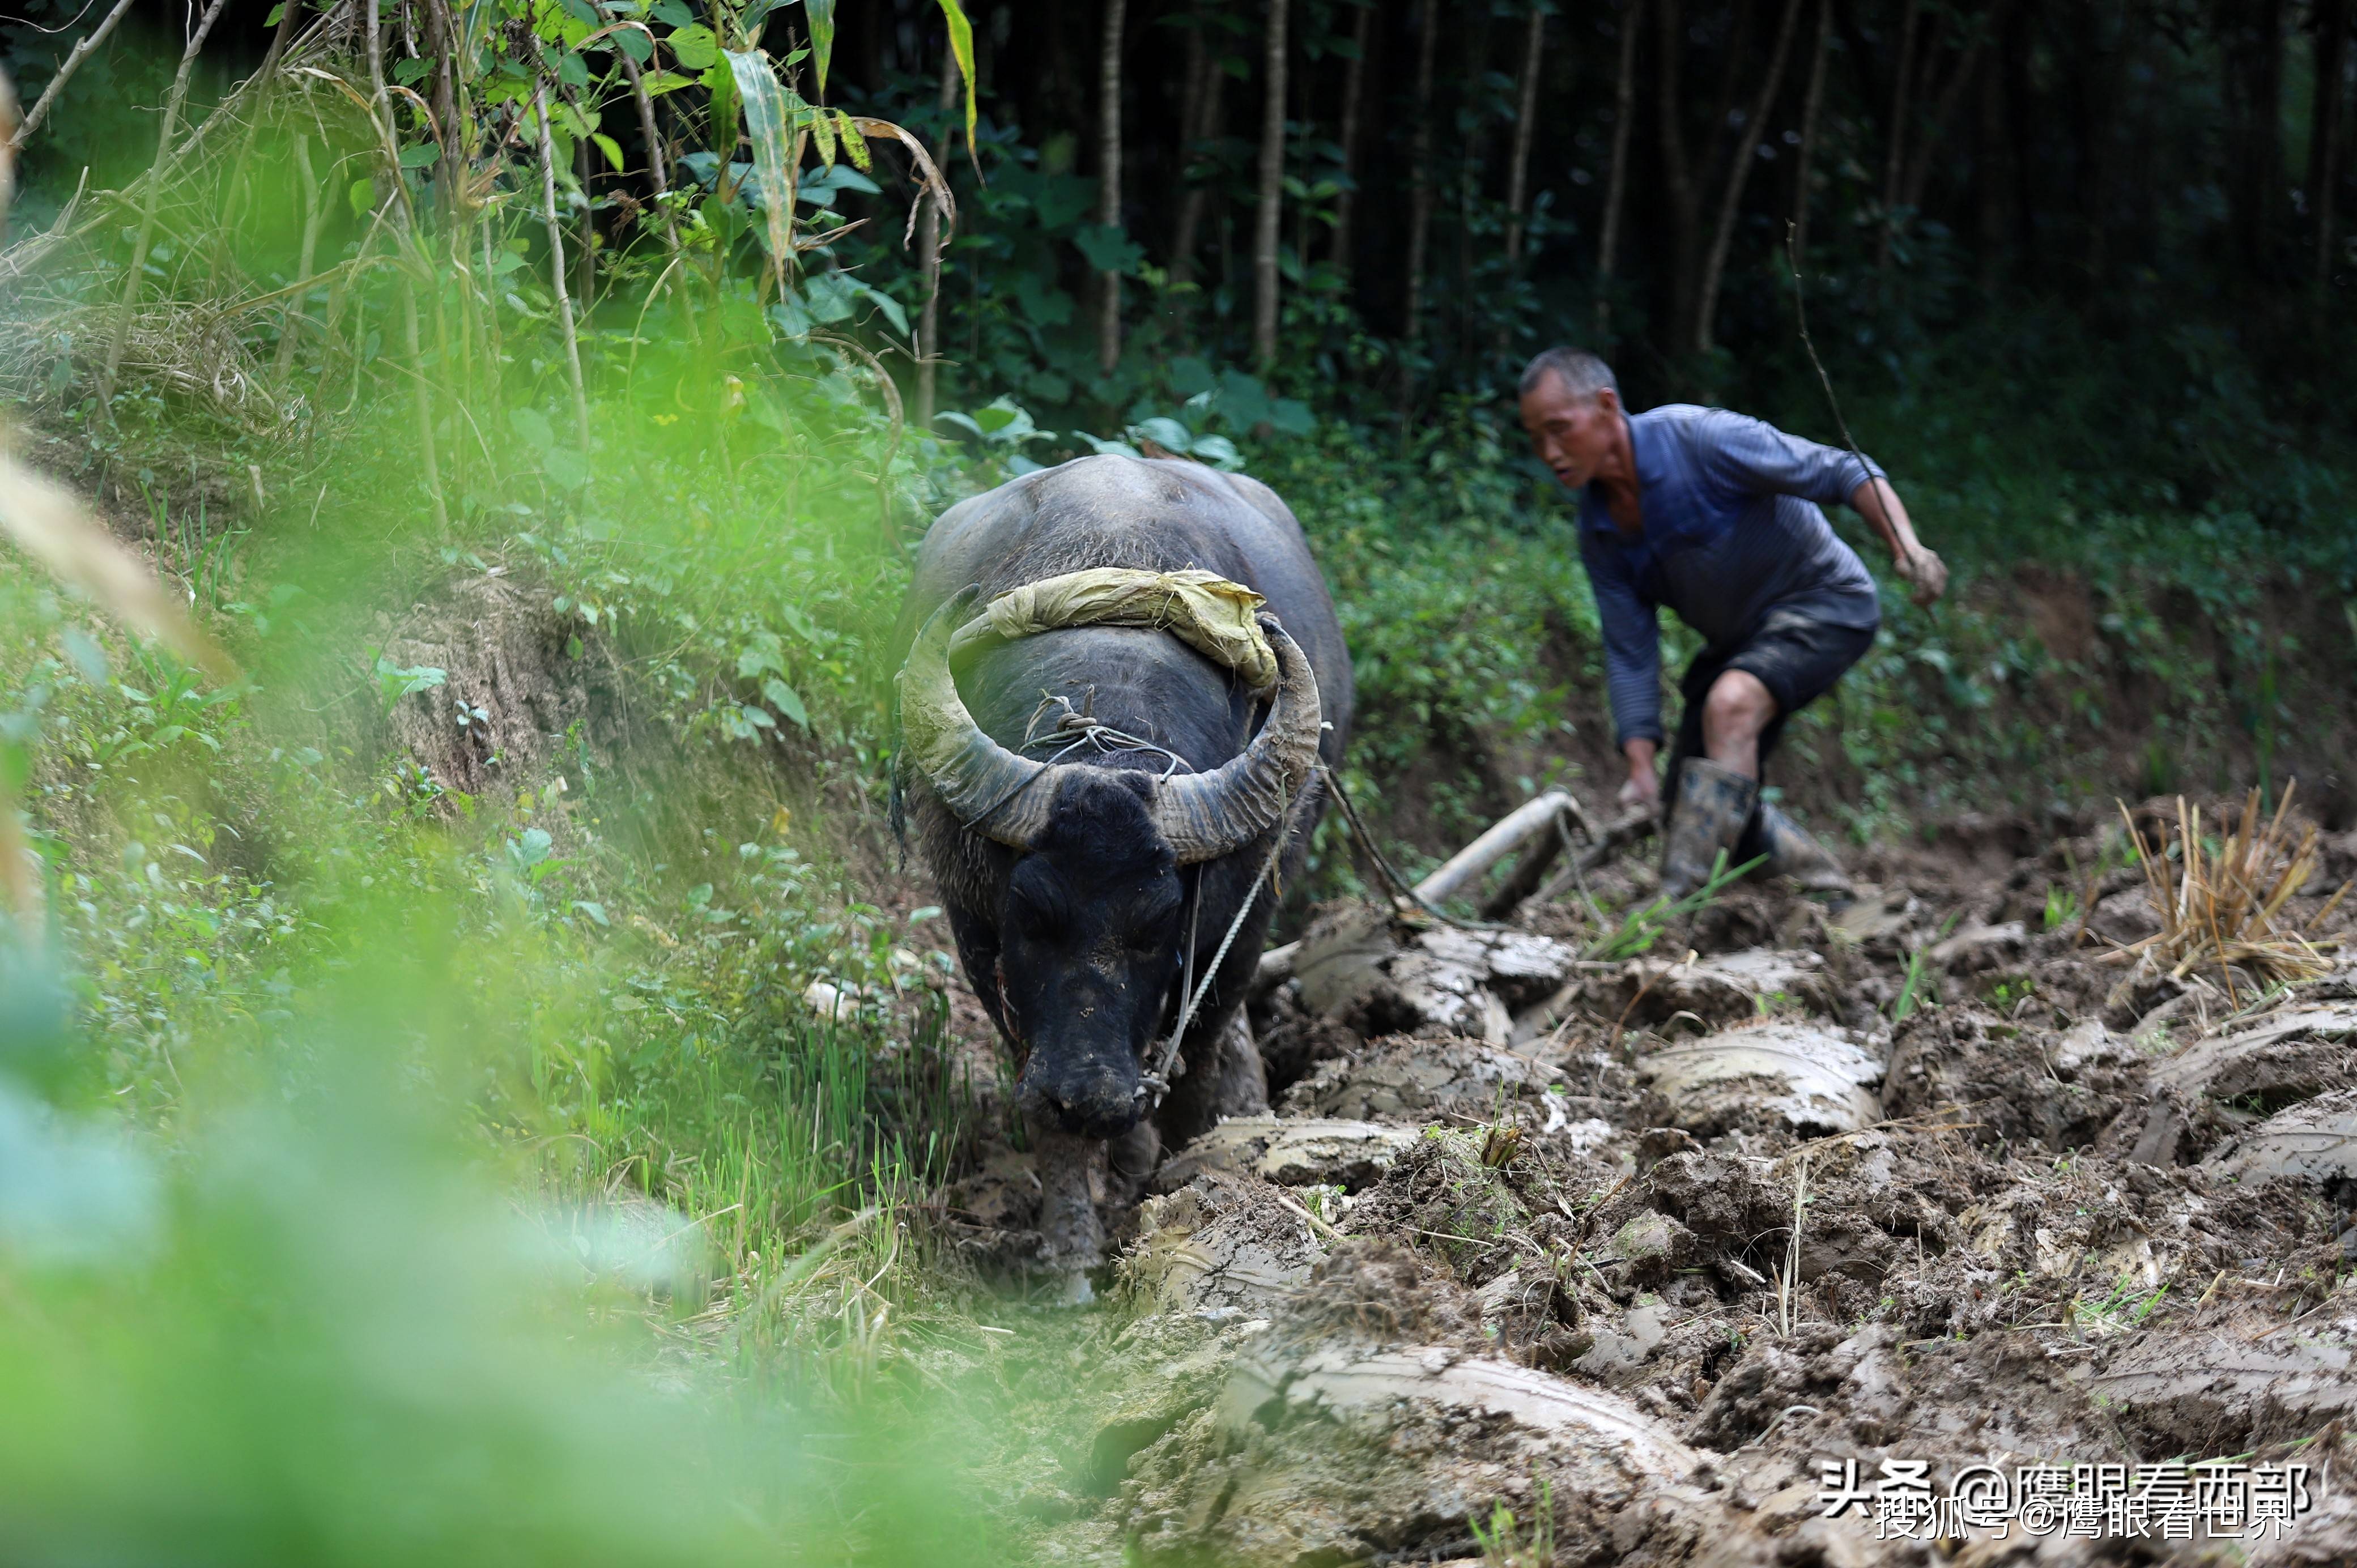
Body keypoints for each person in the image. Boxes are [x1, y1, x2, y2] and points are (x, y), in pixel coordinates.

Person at [1516, 346, 1947, 901]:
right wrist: (1641, 766)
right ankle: (1839, 901)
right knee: (1699, 805)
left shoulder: (1696, 439)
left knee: (1730, 704)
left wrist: (1905, 546)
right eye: (1535, 438)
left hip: (1823, 600)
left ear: (1605, 406)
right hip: (1742, 640)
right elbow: (1630, 650)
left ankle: (1674, 917)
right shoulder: (1599, 530)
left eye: (1559, 428)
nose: (1549, 452)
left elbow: (1842, 470)